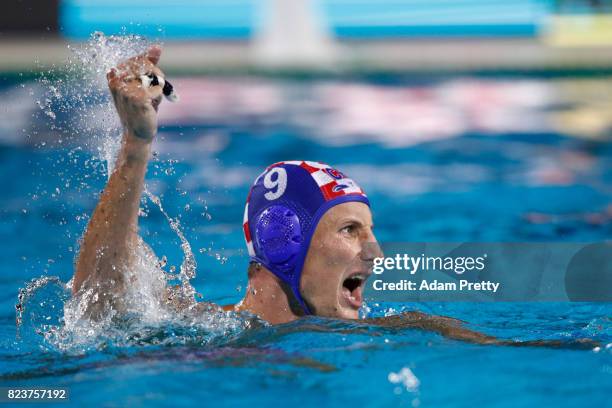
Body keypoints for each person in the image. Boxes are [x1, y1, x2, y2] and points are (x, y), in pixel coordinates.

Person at [71, 47, 596, 348]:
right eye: (350, 230)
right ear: (284, 242)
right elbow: (97, 302)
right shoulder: (199, 332)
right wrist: (137, 145)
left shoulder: (398, 330)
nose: (377, 253)